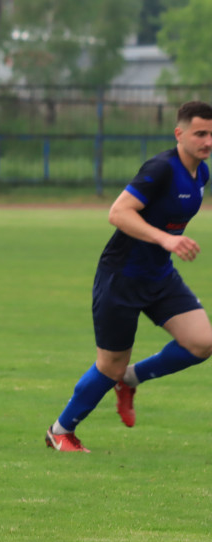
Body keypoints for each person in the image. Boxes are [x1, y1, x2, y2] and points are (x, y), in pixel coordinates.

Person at [45, 100, 212, 452]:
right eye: (200, 133)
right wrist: (166, 238)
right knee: (109, 366)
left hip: (160, 275)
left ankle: (132, 380)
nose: (208, 141)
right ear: (179, 133)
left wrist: (166, 245)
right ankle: (60, 431)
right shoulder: (161, 168)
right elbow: (118, 213)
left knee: (202, 342)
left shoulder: (203, 174)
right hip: (121, 277)